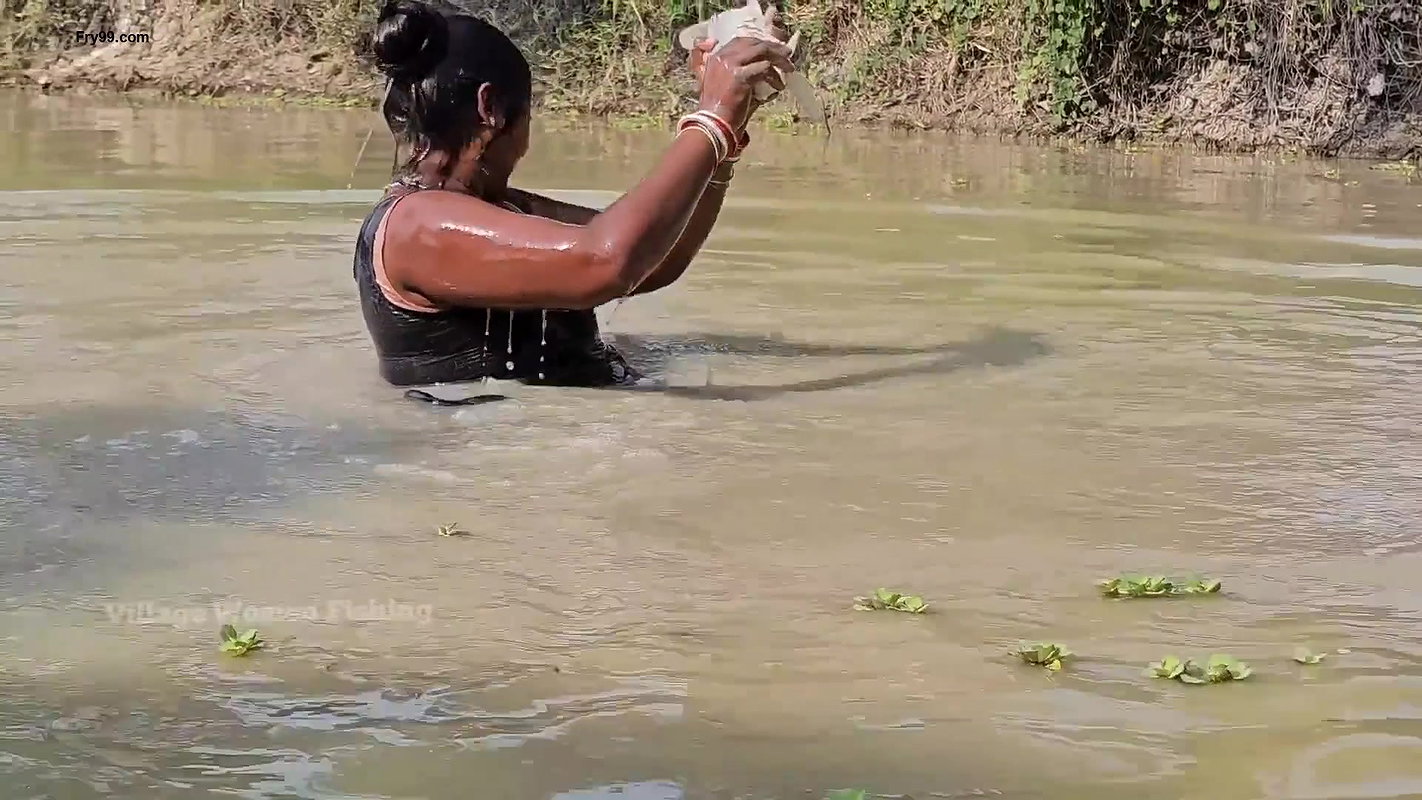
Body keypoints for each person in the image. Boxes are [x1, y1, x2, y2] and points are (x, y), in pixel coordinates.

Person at [354, 0, 792, 387]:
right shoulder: (416, 227)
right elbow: (607, 261)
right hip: (500, 462)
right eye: (528, 116)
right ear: (491, 108)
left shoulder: (499, 207)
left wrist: (730, 127)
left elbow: (656, 259)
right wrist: (712, 117)